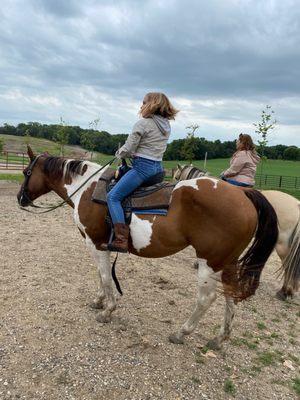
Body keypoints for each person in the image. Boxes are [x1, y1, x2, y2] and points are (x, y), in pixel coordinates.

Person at [101, 92, 179, 253]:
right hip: (158, 169)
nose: (141, 106)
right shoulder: (166, 126)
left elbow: (129, 148)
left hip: (142, 168)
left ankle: (121, 239)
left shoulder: (143, 123)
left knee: (113, 196)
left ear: (152, 104)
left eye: (144, 102)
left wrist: (119, 153)